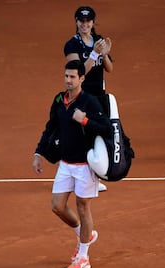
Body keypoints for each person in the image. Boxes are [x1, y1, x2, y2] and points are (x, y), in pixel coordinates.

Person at [32, 60, 112, 268]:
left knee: (83, 207)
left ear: (81, 79)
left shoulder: (90, 102)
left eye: (72, 77)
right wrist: (38, 152)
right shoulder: (59, 100)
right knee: (57, 206)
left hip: (85, 165)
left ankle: (83, 257)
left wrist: (85, 121)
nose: (68, 80)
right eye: (66, 76)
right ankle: (84, 234)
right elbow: (50, 128)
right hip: (65, 164)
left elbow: (106, 129)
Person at [64, 5, 113, 191]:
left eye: (88, 21)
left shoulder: (98, 40)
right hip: (82, 96)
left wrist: (105, 53)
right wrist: (94, 53)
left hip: (99, 95)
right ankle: (74, 174)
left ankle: (94, 175)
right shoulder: (72, 45)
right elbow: (77, 72)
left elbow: (109, 69)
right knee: (81, 134)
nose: (85, 24)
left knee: (96, 132)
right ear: (76, 23)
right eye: (81, 21)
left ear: (93, 23)